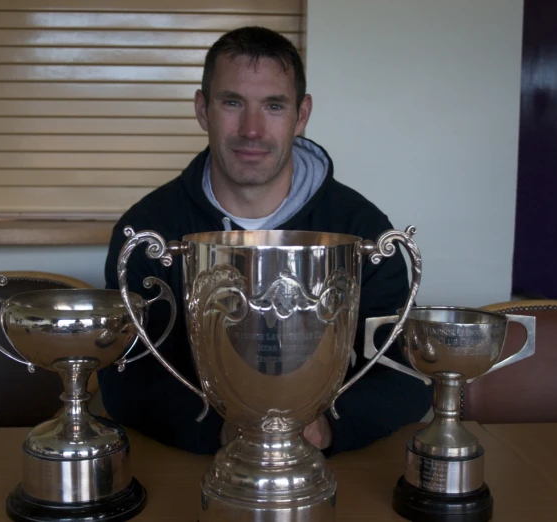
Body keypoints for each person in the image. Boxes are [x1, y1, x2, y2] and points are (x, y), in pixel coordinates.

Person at [99, 26, 432, 456]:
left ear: (302, 114)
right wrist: (219, 431)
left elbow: (407, 373)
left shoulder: (360, 227)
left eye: (274, 106)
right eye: (232, 102)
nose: (252, 129)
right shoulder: (148, 228)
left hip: (324, 468)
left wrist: (326, 429)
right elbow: (124, 376)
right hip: (190, 466)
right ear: (203, 110)